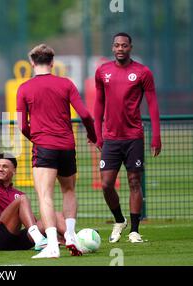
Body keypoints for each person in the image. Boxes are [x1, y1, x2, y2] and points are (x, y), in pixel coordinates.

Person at [17, 43, 96, 258]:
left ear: (32, 63)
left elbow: (22, 125)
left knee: (45, 196)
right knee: (68, 191)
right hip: (67, 147)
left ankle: (52, 245)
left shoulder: (24, 88)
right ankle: (70, 236)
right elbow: (86, 115)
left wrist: (36, 139)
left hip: (45, 147)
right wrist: (93, 135)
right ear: (52, 62)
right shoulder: (66, 84)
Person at [94, 32, 161, 244]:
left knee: (134, 182)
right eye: (116, 45)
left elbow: (152, 104)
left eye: (124, 45)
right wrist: (97, 133)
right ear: (112, 48)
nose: (120, 48)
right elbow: (98, 104)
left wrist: (156, 136)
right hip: (111, 138)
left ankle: (134, 230)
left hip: (134, 137)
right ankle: (119, 220)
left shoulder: (143, 72)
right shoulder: (102, 72)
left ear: (130, 47)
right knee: (106, 184)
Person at [0, 148, 67, 251]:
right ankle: (39, 239)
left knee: (55, 215)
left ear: (14, 171)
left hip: (15, 240)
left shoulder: (18, 194)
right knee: (22, 199)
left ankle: (73, 240)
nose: (0, 169)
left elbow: (32, 222)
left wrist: (53, 236)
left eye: (5, 166)